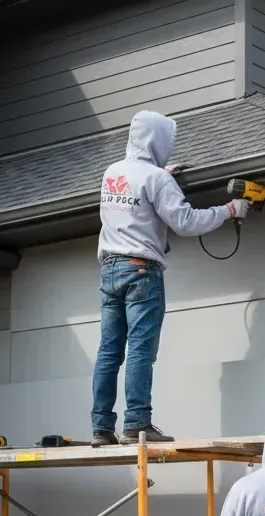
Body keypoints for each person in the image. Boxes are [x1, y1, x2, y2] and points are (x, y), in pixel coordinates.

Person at [90, 111, 250, 447]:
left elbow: (135, 194)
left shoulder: (113, 173)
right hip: (141, 271)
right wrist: (229, 211)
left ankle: (102, 429)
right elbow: (186, 222)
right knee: (140, 350)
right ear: (157, 141)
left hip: (109, 270)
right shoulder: (157, 180)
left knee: (109, 352)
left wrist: (160, 175)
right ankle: (137, 425)